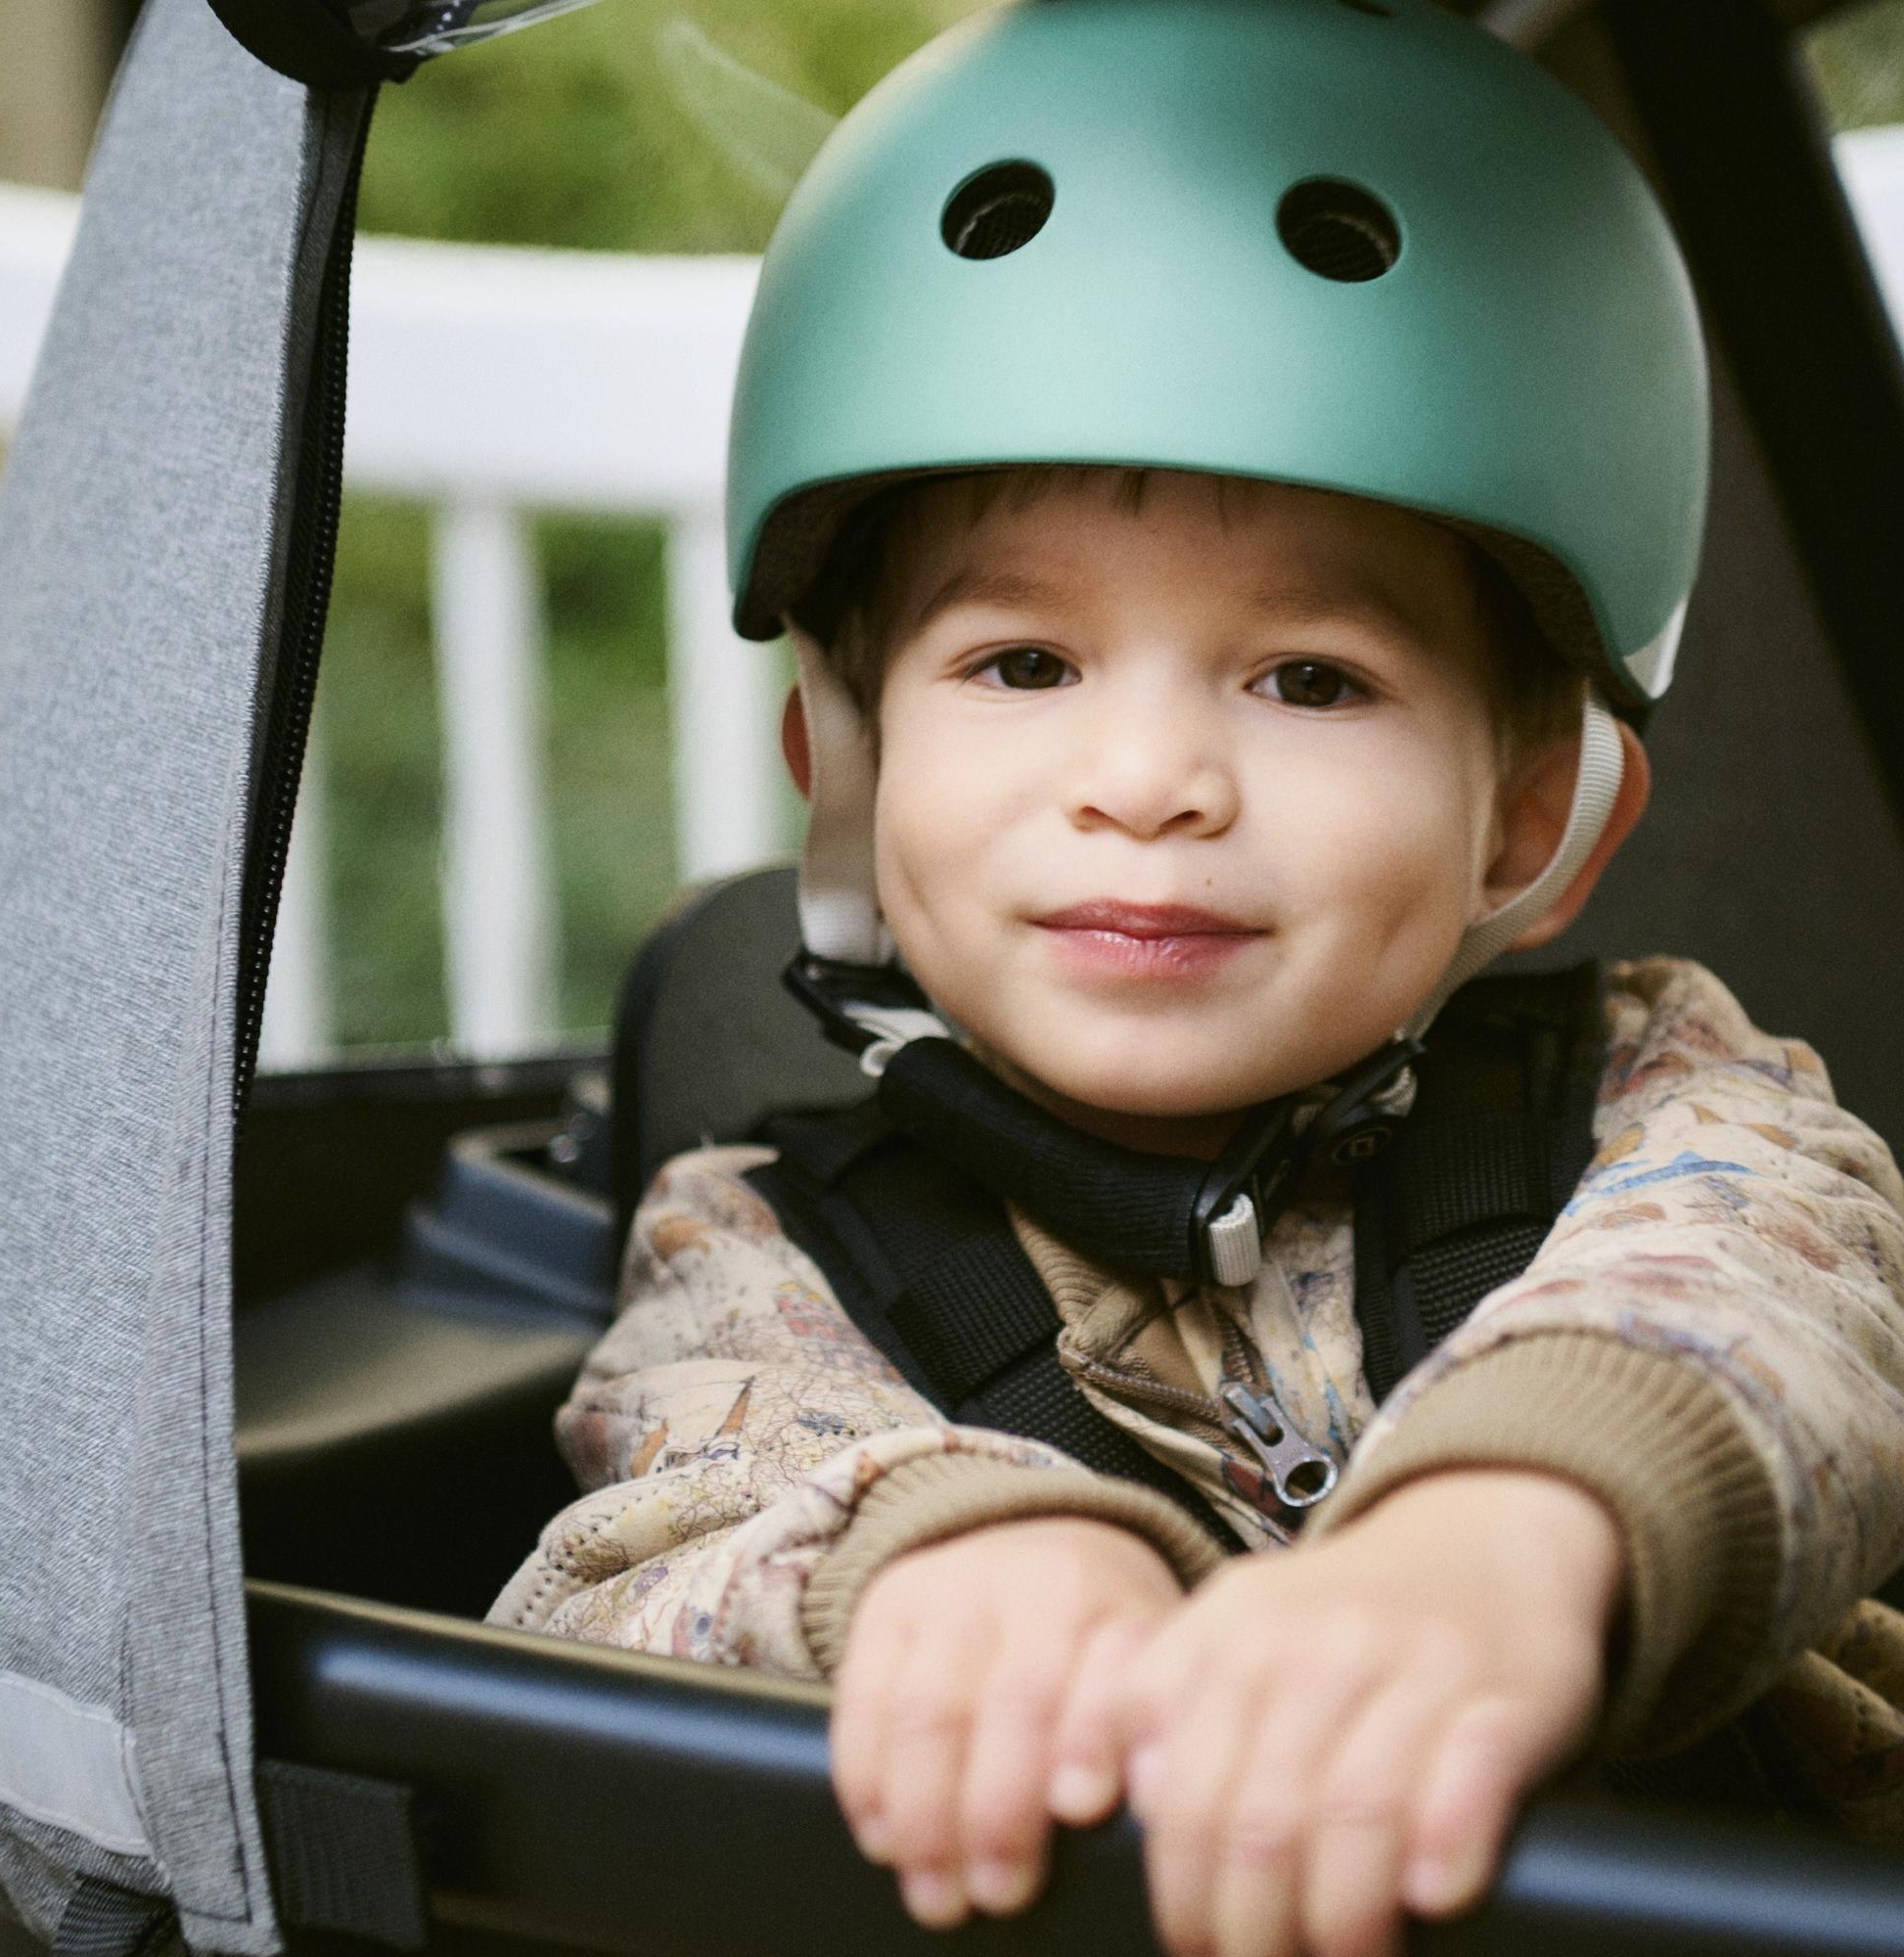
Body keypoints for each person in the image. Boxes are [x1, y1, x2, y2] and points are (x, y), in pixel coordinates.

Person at [490, 4, 1904, 1954]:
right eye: (1024, 664)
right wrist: (938, 1557)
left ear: (1527, 818)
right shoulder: (758, 1248)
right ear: (851, 766)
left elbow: (1774, 1322)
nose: (1150, 780)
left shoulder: (1669, 1098)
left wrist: (1514, 1533)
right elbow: (632, 1563)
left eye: (1309, 678)